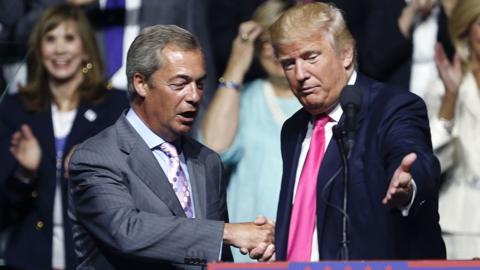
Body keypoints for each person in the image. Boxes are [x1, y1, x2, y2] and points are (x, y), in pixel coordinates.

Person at [67, 25, 275, 270]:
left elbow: (215, 258)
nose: (194, 96)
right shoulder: (97, 157)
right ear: (141, 83)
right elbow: (127, 231)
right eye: (180, 84)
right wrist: (227, 232)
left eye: (199, 84)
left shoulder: (206, 160)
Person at [270, 2, 445, 260]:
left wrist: (408, 187)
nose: (300, 74)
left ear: (346, 55)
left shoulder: (393, 107)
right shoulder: (293, 129)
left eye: (310, 57)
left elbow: (412, 155)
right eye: (288, 63)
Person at [0, 4, 129, 270]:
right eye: (50, 39)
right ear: (39, 48)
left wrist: (94, 162)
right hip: (28, 259)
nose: (60, 49)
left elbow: (132, 196)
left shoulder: (115, 106)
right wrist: (24, 174)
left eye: (69, 38)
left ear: (85, 48)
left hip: (97, 259)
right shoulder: (14, 110)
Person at [202, 0, 300, 262]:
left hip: (304, 254)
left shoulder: (320, 103)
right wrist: (236, 65)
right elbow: (213, 148)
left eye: (282, 40)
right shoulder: (245, 99)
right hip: (247, 254)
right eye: (264, 42)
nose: (273, 51)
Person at [423, 0, 480, 259]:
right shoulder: (442, 87)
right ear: (466, 30)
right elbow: (430, 162)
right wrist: (450, 98)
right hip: (461, 224)